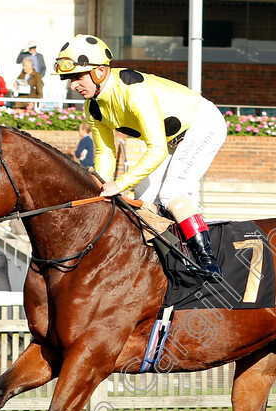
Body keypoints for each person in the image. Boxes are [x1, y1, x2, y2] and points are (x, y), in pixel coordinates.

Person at [54, 34, 227, 277]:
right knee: (144, 198)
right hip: (171, 139)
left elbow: (155, 149)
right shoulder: (92, 105)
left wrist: (120, 184)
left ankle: (208, 261)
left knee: (171, 193)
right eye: (68, 79)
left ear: (100, 72)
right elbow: (105, 151)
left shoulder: (133, 91)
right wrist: (100, 186)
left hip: (203, 124)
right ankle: (167, 263)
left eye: (77, 77)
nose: (72, 85)